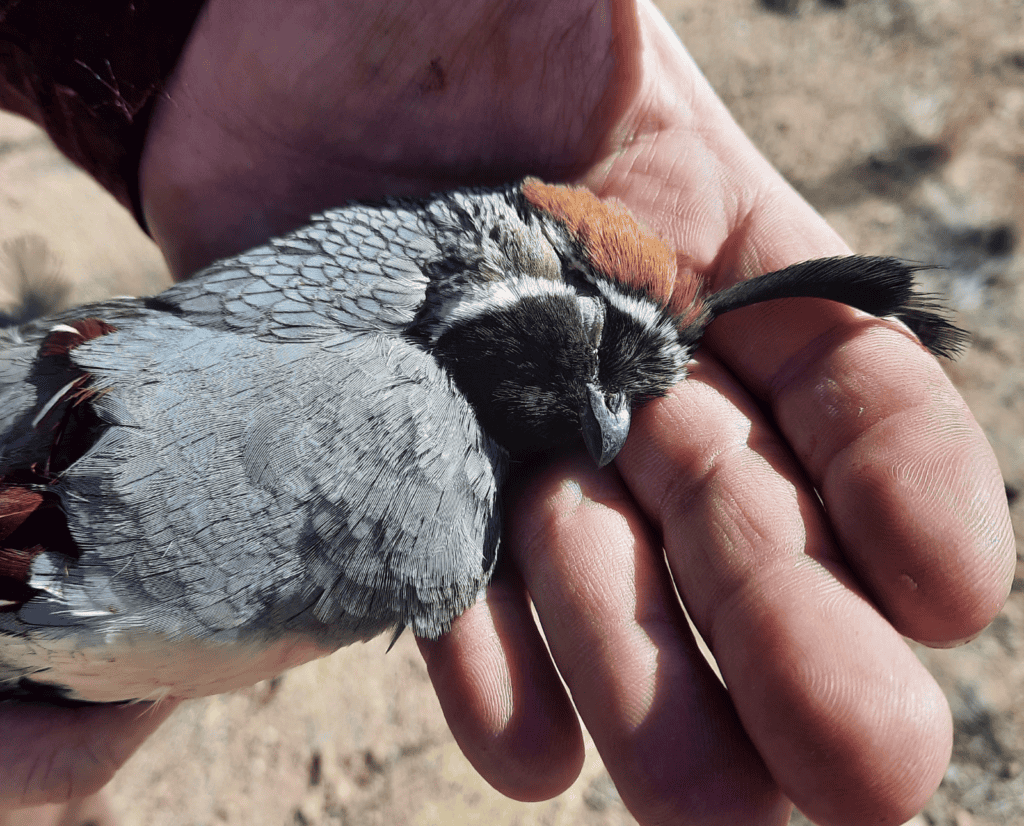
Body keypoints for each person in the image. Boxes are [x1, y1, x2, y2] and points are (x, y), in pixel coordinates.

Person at [0, 1, 1014, 824]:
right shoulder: (326, 384)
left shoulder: (437, 442)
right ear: (529, 271)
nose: (612, 427)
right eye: (607, 361)